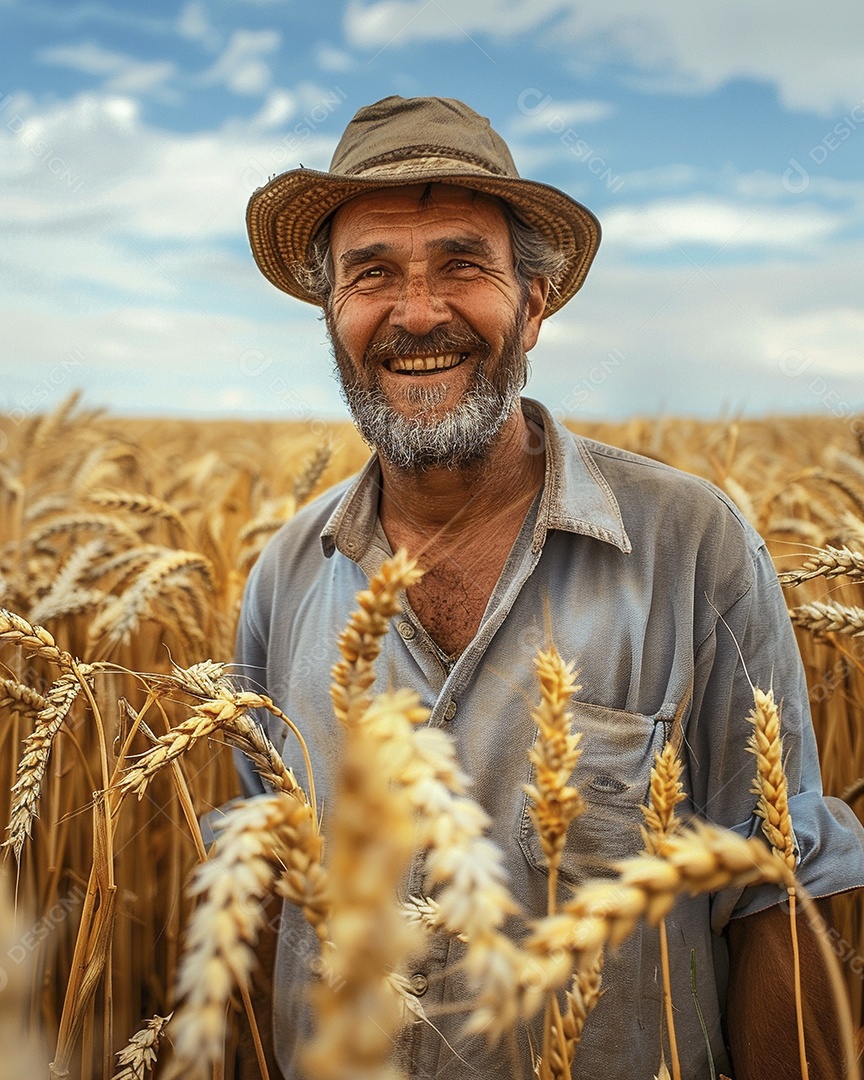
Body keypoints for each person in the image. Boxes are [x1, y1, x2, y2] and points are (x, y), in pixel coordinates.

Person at [235, 95, 864, 1078]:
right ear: (332, 315)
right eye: (371, 275)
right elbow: (264, 892)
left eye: (462, 265)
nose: (417, 312)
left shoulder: (692, 544)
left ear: (534, 303)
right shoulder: (282, 575)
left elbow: (776, 890)